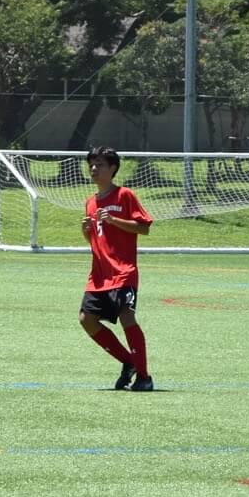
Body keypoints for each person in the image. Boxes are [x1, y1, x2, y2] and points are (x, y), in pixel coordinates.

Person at [78, 146, 155, 391]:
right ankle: (129, 361)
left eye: (100, 164)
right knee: (86, 319)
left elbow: (144, 228)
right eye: (91, 164)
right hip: (99, 276)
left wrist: (113, 220)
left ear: (112, 168)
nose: (94, 169)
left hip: (123, 272)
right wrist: (86, 231)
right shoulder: (90, 202)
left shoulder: (124, 195)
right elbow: (96, 240)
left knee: (126, 317)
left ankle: (144, 377)